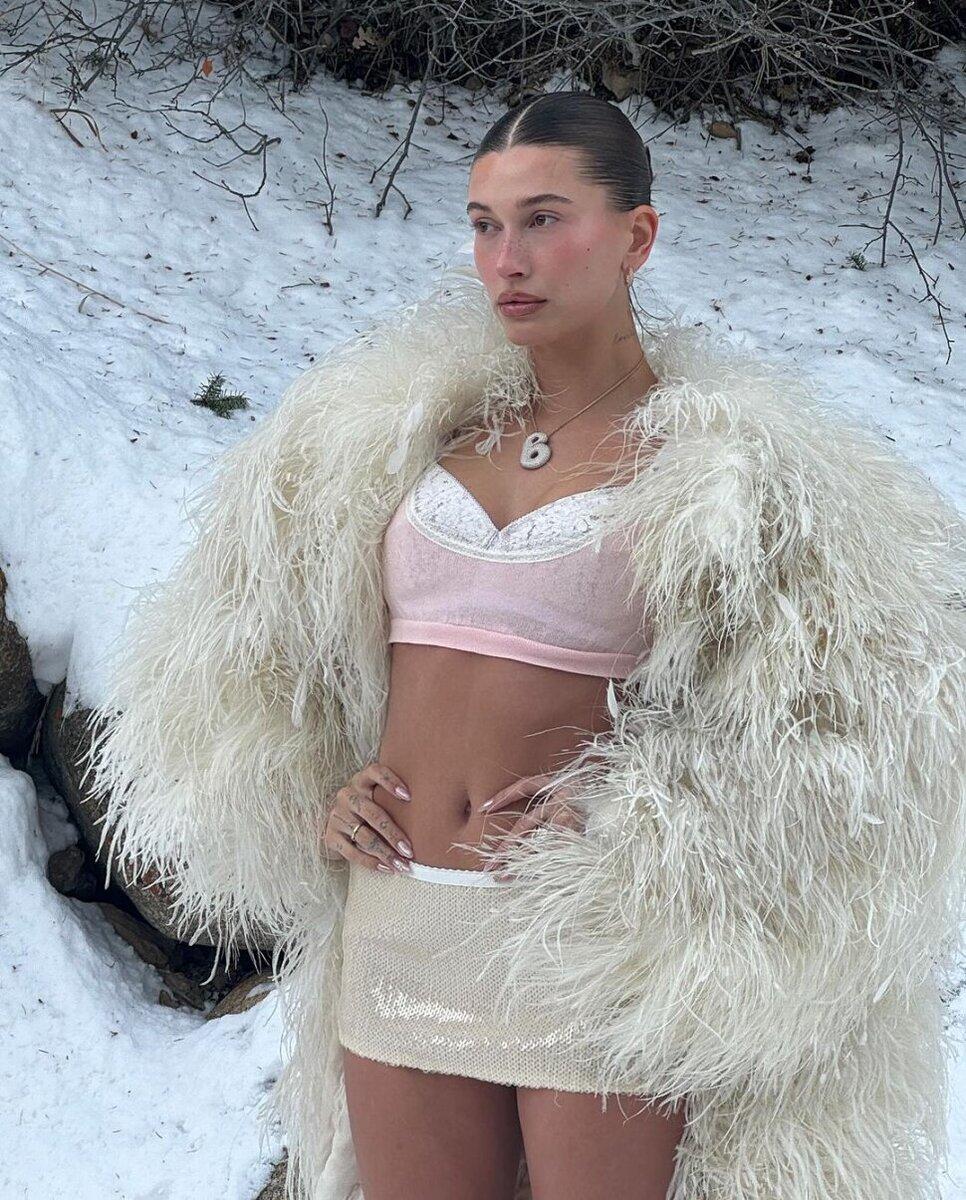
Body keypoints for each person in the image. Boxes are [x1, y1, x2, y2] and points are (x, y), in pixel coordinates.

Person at [80, 92, 966, 1200]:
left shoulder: (729, 475)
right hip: (402, 917)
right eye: (484, 224)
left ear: (637, 236)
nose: (507, 258)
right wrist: (319, 786)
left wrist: (643, 813)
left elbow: (857, 717)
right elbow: (279, 660)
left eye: (544, 219)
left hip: (583, 936)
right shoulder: (403, 435)